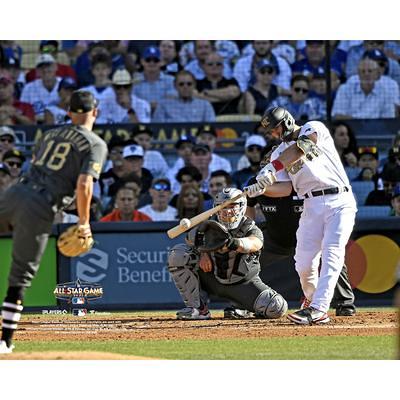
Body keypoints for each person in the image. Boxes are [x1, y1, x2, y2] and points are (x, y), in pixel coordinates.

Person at [0, 90, 108, 353]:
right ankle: (5, 342)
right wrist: (84, 222)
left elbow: (39, 165)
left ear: (69, 112)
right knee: (20, 276)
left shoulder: (49, 134)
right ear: (96, 112)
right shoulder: (95, 144)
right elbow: (84, 183)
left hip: (14, 192)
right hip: (39, 205)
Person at [245, 107, 357, 325]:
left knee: (332, 252)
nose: (275, 135)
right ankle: (312, 300)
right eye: (272, 132)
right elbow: (285, 189)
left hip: (339, 200)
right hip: (311, 204)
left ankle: (319, 308)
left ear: (286, 121)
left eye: (276, 129)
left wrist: (271, 169)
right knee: (303, 263)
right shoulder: (278, 152)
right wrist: (260, 188)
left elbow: (301, 148)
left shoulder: (313, 127)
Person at [167, 187, 288, 320]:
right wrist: (203, 252)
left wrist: (233, 243)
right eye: (223, 207)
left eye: (233, 206)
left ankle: (242, 307)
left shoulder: (249, 227)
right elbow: (190, 238)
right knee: (178, 254)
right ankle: (198, 309)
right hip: (213, 279)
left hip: (243, 285)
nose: (227, 211)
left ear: (242, 206)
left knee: (277, 307)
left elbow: (255, 243)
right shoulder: (210, 225)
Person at [332, 58, 397, 119]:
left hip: (377, 129)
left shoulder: (386, 93)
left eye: (370, 71)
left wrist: (354, 119)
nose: (366, 74)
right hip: (349, 128)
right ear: (358, 74)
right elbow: (338, 115)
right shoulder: (345, 90)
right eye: (363, 71)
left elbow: (388, 119)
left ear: (377, 75)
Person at [133, 46, 176, 114]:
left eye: (156, 60)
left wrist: (147, 105)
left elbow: (171, 104)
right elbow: (133, 105)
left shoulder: (171, 81)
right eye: (148, 60)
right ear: (142, 61)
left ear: (161, 62)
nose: (151, 63)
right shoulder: (134, 82)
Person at [195, 51, 241, 115]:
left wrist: (207, 93)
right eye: (210, 64)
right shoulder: (197, 83)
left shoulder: (231, 81)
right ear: (203, 67)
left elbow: (233, 93)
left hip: (228, 119)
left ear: (223, 66)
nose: (214, 66)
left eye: (218, 64)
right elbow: (196, 98)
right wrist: (224, 97)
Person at [20, 54, 61, 122]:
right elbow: (22, 112)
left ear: (55, 67)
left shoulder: (65, 84)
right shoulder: (29, 88)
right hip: (36, 125)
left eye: (48, 66)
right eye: (41, 67)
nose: (45, 70)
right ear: (37, 71)